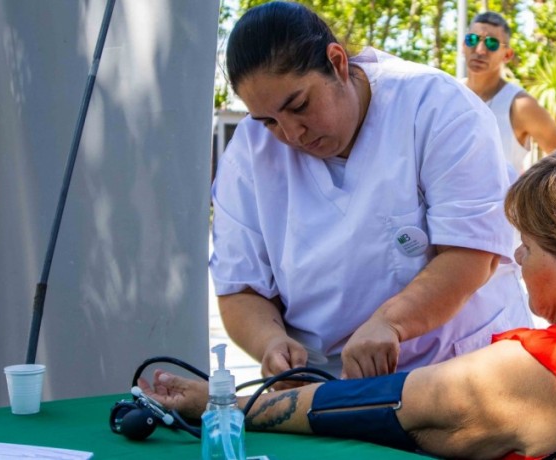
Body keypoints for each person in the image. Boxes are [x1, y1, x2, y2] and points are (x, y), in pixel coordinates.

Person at [142, 144, 556, 459]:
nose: (516, 262)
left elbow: (364, 403)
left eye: (528, 251)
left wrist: (214, 401)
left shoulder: (542, 373)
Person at [210, 1, 532, 381]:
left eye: (299, 105)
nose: (291, 134)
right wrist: (270, 343)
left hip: (458, 368)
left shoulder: (436, 107)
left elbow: (471, 255)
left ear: (337, 62)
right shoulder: (249, 152)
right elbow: (241, 287)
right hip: (327, 386)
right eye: (268, 122)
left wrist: (390, 323)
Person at [462, 12, 556, 177]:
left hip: (502, 203)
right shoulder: (450, 93)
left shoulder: (521, 105)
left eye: (492, 43)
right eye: (472, 39)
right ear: (463, 45)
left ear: (507, 54)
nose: (480, 50)